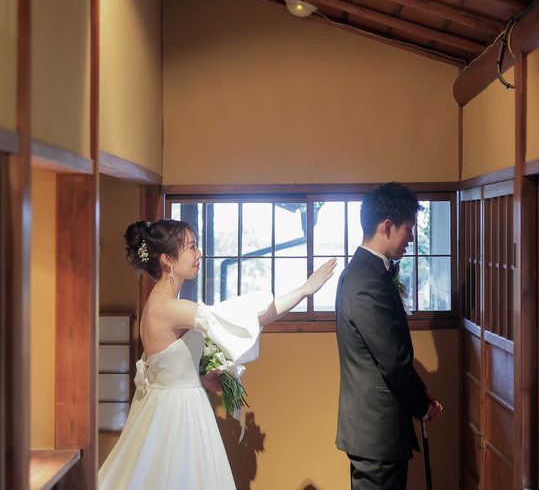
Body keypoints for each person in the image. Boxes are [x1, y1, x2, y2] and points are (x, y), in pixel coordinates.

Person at [99, 219, 336, 489]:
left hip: (167, 405)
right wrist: (304, 290)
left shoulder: (158, 303)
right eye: (192, 247)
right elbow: (250, 317)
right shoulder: (168, 308)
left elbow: (164, 369)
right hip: (179, 414)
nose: (199, 254)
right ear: (167, 259)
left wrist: (198, 379)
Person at [335, 183, 443, 490]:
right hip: (376, 428)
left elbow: (391, 352)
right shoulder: (366, 280)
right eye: (409, 228)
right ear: (387, 226)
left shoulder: (370, 272)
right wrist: (421, 405)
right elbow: (393, 360)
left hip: (375, 428)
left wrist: (421, 393)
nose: (412, 237)